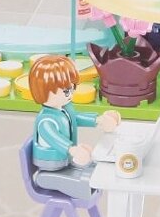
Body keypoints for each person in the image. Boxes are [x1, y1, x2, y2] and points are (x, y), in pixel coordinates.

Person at [28, 53, 120, 198]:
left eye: (73, 88)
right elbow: (55, 139)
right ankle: (69, 183)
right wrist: (72, 149)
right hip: (52, 163)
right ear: (44, 91)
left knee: (94, 165)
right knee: (87, 175)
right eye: (66, 91)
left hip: (66, 159)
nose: (70, 94)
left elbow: (76, 118)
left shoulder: (64, 108)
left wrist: (98, 120)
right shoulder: (46, 121)